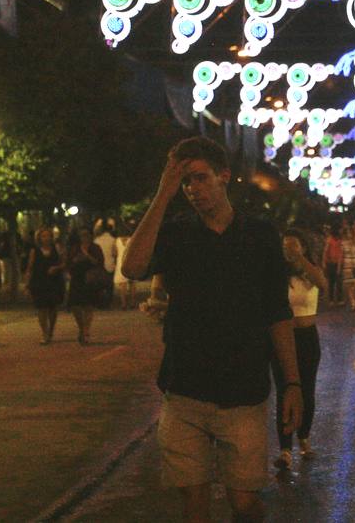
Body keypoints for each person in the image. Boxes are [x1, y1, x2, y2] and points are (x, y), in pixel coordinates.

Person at [120, 137, 300, 523]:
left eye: (200, 179)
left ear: (224, 176)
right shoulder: (175, 232)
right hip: (185, 389)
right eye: (186, 183)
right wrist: (163, 194)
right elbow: (132, 268)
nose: (193, 190)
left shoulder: (259, 234)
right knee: (194, 504)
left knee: (245, 503)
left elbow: (278, 312)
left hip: (243, 391)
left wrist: (293, 384)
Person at [271, 229, 328, 469]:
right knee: (285, 390)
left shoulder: (310, 271)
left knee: (306, 390)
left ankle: (304, 437)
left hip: (307, 337)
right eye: (286, 246)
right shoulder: (277, 273)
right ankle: (285, 449)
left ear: (303, 247)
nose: (289, 250)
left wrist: (300, 258)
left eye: (294, 245)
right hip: (282, 338)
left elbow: (322, 284)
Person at [24, 226, 65, 344]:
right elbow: (30, 268)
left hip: (54, 281)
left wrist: (56, 268)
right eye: (43, 236)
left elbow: (64, 263)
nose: (46, 238)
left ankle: (51, 330)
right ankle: (44, 333)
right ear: (39, 238)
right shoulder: (34, 251)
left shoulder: (57, 248)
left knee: (53, 308)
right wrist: (27, 284)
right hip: (39, 281)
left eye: (48, 236)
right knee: (41, 308)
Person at [66, 228, 106, 346]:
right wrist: (75, 260)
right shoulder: (74, 248)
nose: (85, 237)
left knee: (88, 305)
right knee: (75, 306)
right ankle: (82, 327)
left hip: (90, 279)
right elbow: (69, 263)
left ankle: (86, 331)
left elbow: (99, 262)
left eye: (87, 235)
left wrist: (87, 256)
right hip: (77, 279)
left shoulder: (95, 248)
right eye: (82, 235)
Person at [114, 223, 137, 311]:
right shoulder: (132, 240)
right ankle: (132, 302)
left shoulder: (117, 241)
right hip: (131, 262)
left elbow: (114, 253)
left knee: (122, 285)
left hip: (121, 263)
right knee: (132, 284)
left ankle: (123, 303)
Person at [94, 219, 119, 287]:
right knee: (109, 287)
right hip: (110, 266)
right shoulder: (113, 240)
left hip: (100, 267)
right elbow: (115, 254)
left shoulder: (96, 240)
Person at [323, 226, 344, 307]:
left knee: (337, 282)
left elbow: (340, 253)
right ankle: (334, 299)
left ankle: (337, 299)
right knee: (332, 282)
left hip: (335, 263)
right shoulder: (330, 240)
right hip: (331, 263)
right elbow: (326, 251)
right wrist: (324, 262)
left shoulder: (336, 240)